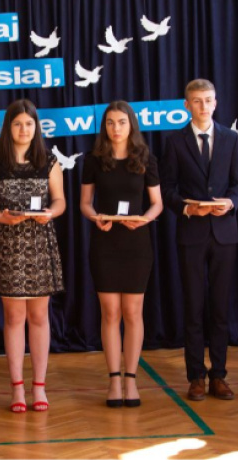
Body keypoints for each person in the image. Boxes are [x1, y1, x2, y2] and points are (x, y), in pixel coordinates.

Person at [160, 78, 238, 402]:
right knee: (193, 307)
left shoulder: (231, 138)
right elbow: (168, 188)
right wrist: (186, 207)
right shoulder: (174, 141)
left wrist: (231, 203)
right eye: (196, 101)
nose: (203, 106)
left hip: (224, 234)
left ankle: (218, 375)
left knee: (220, 308)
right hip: (191, 234)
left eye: (208, 100)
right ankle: (195, 375)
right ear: (187, 105)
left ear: (216, 102)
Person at [0, 99, 64, 413]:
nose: (24, 129)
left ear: (36, 127)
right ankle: (17, 387)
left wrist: (50, 213)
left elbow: (60, 201)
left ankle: (39, 386)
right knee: (15, 318)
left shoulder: (48, 161)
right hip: (10, 246)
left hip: (40, 245)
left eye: (29, 124)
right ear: (9, 127)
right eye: (17, 124)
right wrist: (4, 218)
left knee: (40, 317)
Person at [80, 101, 162, 408]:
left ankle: (131, 378)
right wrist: (95, 217)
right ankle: (114, 379)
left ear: (131, 125)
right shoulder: (94, 159)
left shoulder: (145, 158)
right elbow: (85, 203)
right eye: (111, 122)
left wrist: (145, 219)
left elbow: (157, 203)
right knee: (110, 312)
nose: (116, 128)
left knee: (133, 312)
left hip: (136, 244)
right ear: (105, 126)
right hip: (105, 243)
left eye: (122, 122)